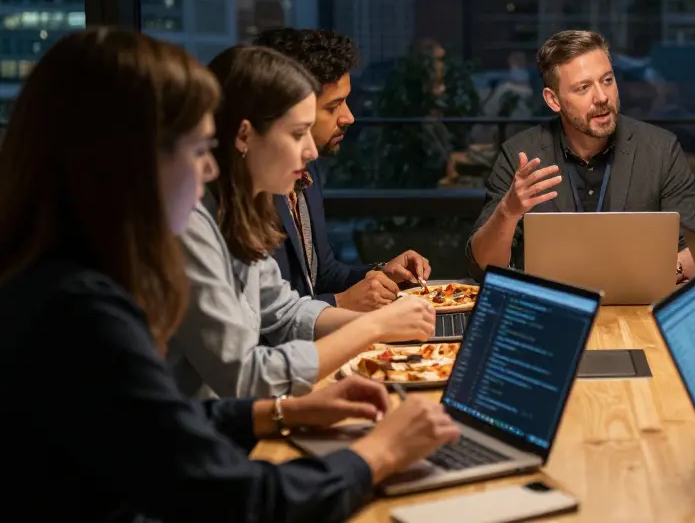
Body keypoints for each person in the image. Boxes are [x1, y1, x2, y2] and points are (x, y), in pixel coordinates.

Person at [0, 28, 460, 521]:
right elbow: (239, 499)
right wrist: (379, 454)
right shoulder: (80, 309)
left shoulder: (61, 280)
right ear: (128, 160)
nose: (211, 171)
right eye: (198, 150)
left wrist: (281, 412)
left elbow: (158, 426)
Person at [171, 45, 437, 399]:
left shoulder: (241, 211)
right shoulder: (190, 224)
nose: (310, 152)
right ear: (244, 136)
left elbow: (284, 311)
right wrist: (374, 327)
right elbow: (240, 375)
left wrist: (385, 325)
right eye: (298, 134)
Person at [467, 30, 695, 280]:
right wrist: (508, 212)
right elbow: (483, 266)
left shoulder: (660, 150)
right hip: (551, 310)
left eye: (607, 80)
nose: (602, 97)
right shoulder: (520, 154)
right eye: (583, 88)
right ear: (553, 100)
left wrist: (651, 272)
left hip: (635, 308)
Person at [255, 28, 430, 312]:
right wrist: (339, 303)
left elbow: (322, 275)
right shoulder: (247, 187)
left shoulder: (307, 168)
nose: (349, 117)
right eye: (334, 106)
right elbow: (262, 317)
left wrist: (380, 275)